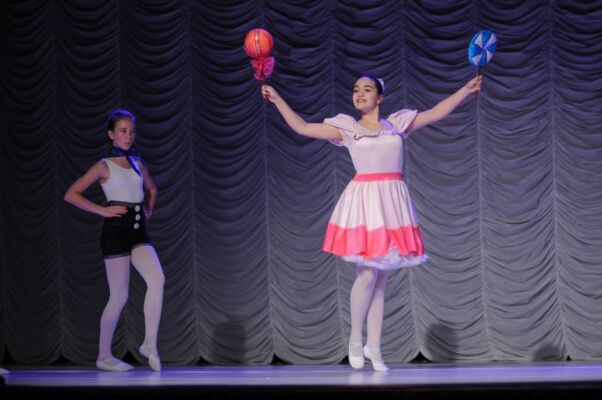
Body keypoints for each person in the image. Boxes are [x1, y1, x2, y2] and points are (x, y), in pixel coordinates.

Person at [262, 74, 481, 371]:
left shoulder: (397, 124)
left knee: (380, 279)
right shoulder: (348, 128)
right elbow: (302, 127)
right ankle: (355, 339)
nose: (360, 93)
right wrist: (277, 99)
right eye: (355, 89)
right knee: (366, 274)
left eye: (367, 89)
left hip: (392, 203)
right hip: (365, 203)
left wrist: (465, 90)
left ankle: (374, 347)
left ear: (380, 97)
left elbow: (436, 113)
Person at [64, 109, 165, 372]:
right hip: (116, 231)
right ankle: (104, 356)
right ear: (111, 134)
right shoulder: (103, 166)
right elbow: (71, 194)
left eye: (132, 131)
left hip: (138, 229)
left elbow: (152, 188)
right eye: (123, 131)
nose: (128, 136)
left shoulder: (136, 162)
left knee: (157, 279)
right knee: (119, 295)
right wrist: (102, 210)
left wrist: (149, 208)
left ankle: (149, 344)